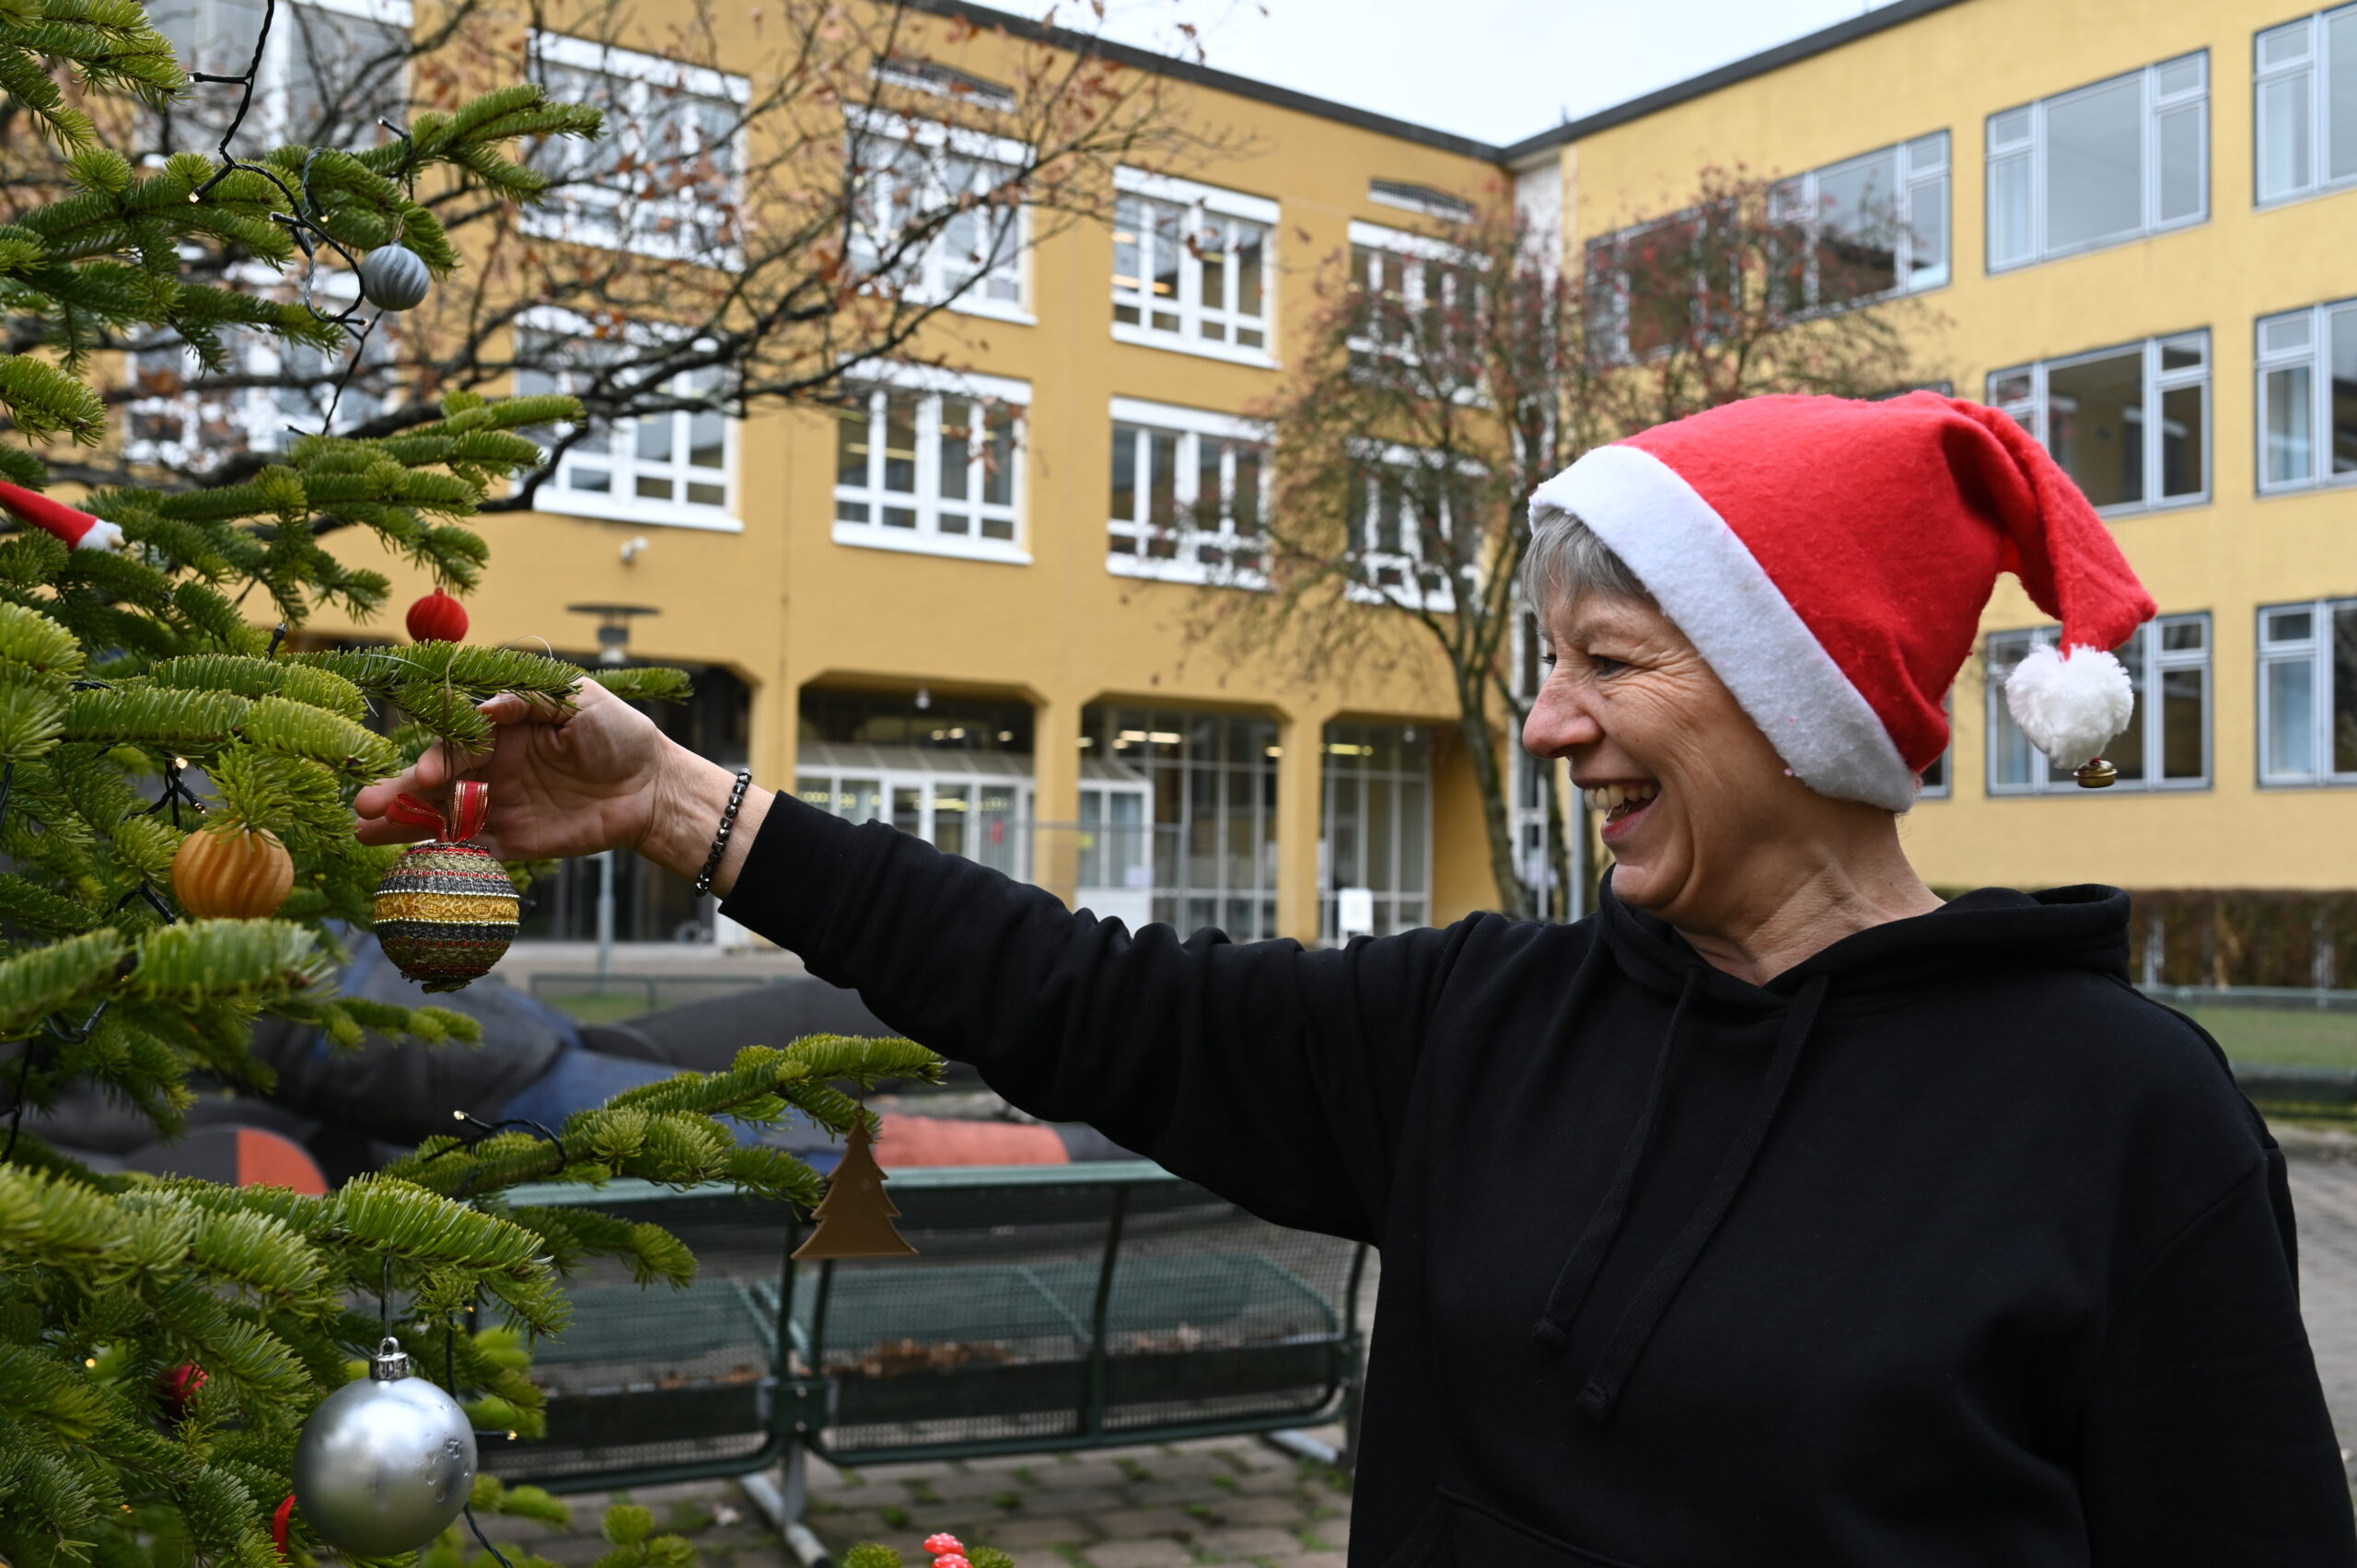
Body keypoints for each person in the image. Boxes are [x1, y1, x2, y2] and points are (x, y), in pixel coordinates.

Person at [358, 392, 2357, 1566]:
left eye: (1611, 662)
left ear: (1801, 698)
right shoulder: (1480, 1026)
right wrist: (694, 816)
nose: (1553, 724)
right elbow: (1080, 993)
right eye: (1549, 661)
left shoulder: (2115, 1112)